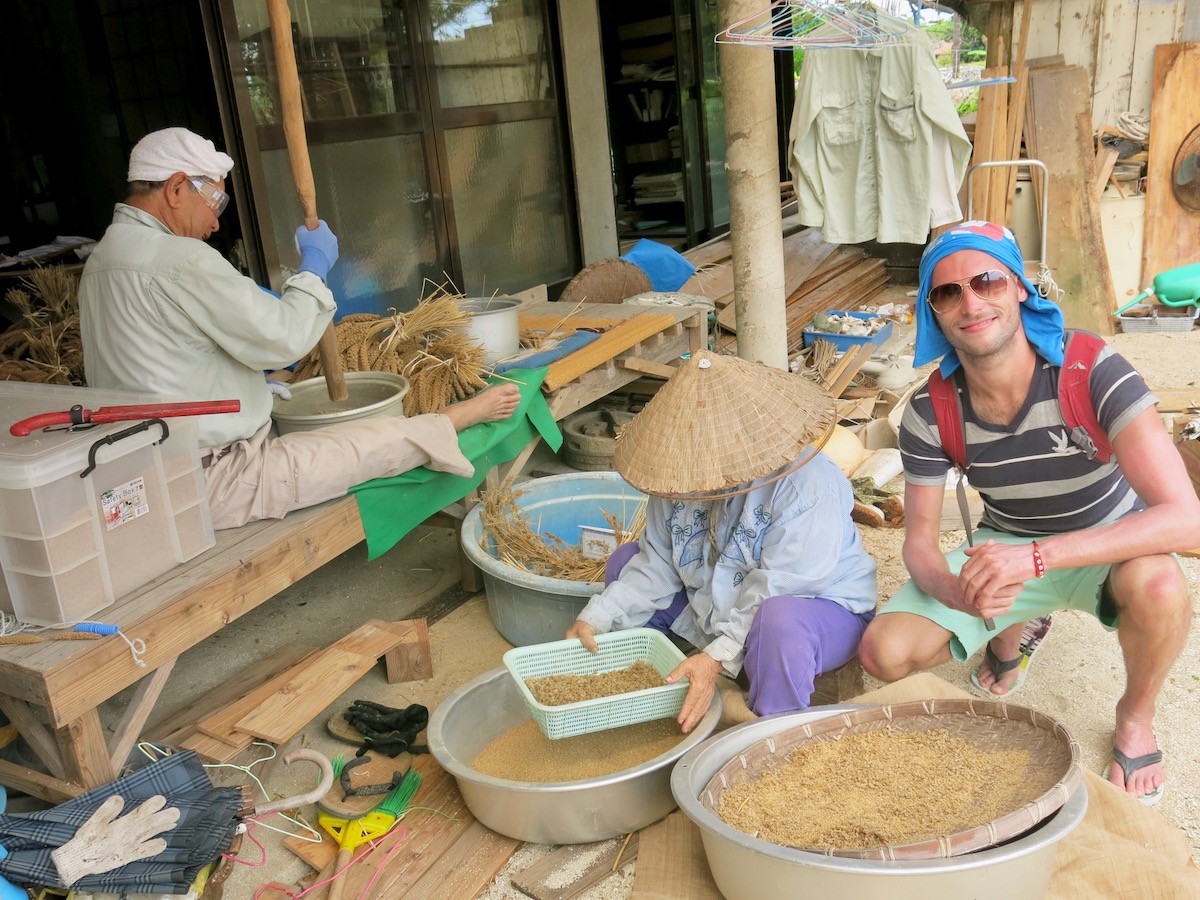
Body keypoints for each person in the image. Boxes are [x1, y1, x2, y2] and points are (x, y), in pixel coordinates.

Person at [857, 220, 1200, 806]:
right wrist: (961, 593)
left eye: (986, 280)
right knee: (883, 651)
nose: (971, 302)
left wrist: (1038, 558)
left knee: (1163, 584)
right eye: (948, 292)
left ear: (1019, 287)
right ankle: (1012, 630)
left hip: (1109, 543)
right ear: (932, 310)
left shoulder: (1091, 370)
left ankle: (1135, 718)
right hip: (1009, 540)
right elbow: (917, 544)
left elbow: (1186, 518)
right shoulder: (928, 410)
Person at [79, 127, 519, 529]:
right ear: (176, 188)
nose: (215, 222)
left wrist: (249, 386)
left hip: (142, 466)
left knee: (316, 430)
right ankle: (451, 421)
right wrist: (313, 269)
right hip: (212, 477)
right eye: (215, 202)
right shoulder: (176, 258)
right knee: (361, 445)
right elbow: (283, 337)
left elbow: (164, 359)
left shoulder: (101, 261)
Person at [565, 350, 877, 733]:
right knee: (624, 562)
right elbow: (657, 562)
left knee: (778, 622)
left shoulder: (808, 484)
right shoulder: (677, 473)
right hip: (717, 603)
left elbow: (783, 584)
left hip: (815, 611)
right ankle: (664, 691)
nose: (702, 470)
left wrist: (717, 655)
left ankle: (770, 732)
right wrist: (596, 616)